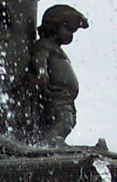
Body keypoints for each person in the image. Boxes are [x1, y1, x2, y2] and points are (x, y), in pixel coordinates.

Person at [28, 4, 89, 142]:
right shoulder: (44, 44)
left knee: (68, 122)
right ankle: (49, 144)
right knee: (63, 121)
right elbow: (39, 59)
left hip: (65, 96)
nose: (71, 35)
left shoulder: (57, 49)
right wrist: (42, 73)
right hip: (54, 94)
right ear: (53, 27)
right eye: (68, 29)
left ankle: (54, 141)